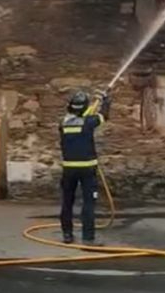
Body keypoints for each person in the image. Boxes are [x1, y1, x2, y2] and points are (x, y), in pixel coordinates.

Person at [58, 89, 110, 245]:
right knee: (88, 204)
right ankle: (88, 239)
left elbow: (81, 118)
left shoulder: (63, 123)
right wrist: (105, 100)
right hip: (87, 170)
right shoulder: (89, 122)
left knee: (67, 202)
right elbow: (103, 116)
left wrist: (90, 108)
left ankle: (67, 235)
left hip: (68, 170)